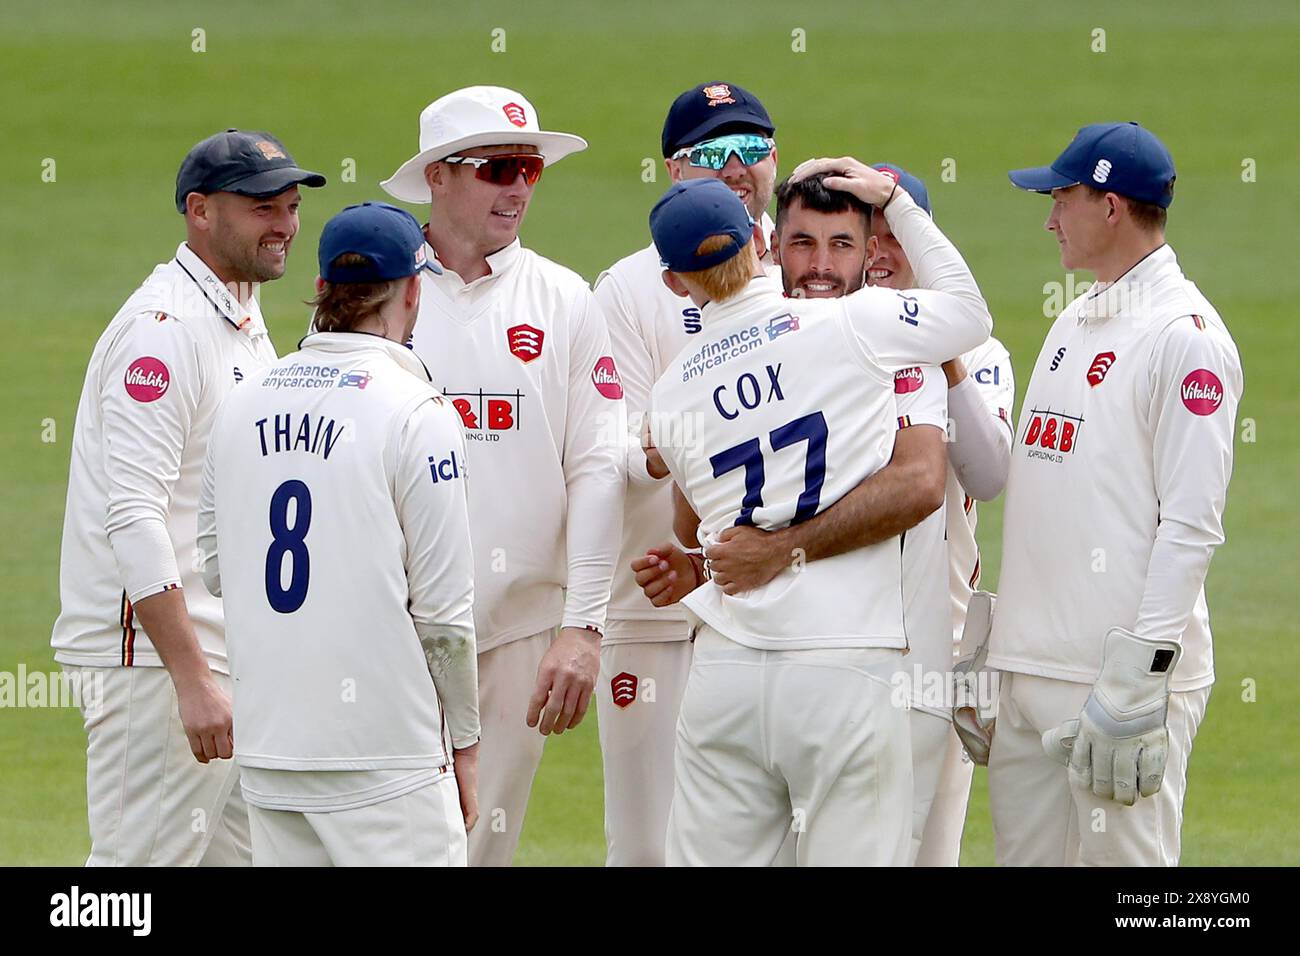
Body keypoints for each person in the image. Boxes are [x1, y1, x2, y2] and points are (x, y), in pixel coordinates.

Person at [635, 167, 1011, 866]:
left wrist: (737, 555)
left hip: (725, 671)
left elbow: (700, 535)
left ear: (670, 278)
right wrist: (896, 199)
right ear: (762, 241)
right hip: (847, 664)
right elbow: (967, 313)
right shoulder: (855, 324)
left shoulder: (667, 395)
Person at [51, 129, 325, 865]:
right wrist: (192, 679)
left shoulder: (239, 318)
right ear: (200, 211)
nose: (286, 225)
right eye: (263, 206)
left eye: (292, 206)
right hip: (157, 664)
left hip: (222, 658)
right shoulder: (162, 332)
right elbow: (133, 512)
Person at [977, 122, 1242, 865]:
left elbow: (1192, 524)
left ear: (1112, 206)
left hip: (1114, 688)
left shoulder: (1185, 339)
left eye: (1062, 197)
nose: (1048, 218)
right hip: (1033, 675)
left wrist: (1141, 677)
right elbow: (1050, 492)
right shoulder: (1076, 316)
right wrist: (997, 644)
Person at [381, 86, 626, 866]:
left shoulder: (565, 299)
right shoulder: (377, 290)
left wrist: (584, 626)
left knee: (480, 849)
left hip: (518, 633)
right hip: (389, 632)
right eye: (498, 167)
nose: (519, 186)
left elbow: (597, 467)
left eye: (530, 169)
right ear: (438, 177)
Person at [198, 201, 478, 866]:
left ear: (323, 290)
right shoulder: (417, 413)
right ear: (413, 290)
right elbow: (443, 615)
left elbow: (215, 566)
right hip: (386, 761)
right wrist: (465, 739)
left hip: (272, 753)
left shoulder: (242, 401)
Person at [593, 81, 780, 866]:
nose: (736, 168)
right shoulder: (631, 287)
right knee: (649, 844)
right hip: (658, 612)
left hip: (787, 610)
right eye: (712, 154)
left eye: (752, 149)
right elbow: (627, 448)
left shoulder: (810, 260)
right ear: (673, 171)